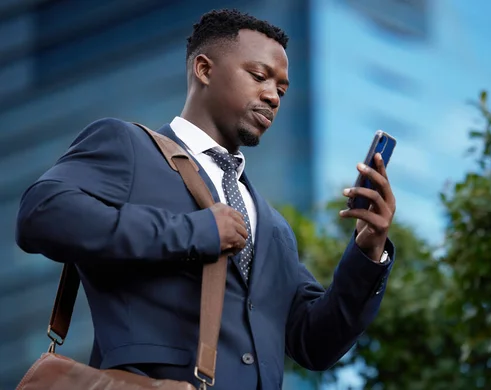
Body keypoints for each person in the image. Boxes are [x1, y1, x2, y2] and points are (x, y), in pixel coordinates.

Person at [15, 8, 396, 390]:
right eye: (259, 76)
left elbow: (315, 344)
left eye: (280, 90)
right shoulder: (129, 147)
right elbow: (41, 213)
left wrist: (368, 249)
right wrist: (195, 231)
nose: (272, 96)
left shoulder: (272, 226)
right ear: (204, 69)